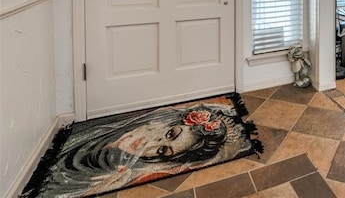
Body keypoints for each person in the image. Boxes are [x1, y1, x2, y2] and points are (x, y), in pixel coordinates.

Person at [23, 95, 259, 197]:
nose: (151, 143)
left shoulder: (95, 176)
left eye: (162, 150)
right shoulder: (100, 129)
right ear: (167, 119)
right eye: (170, 132)